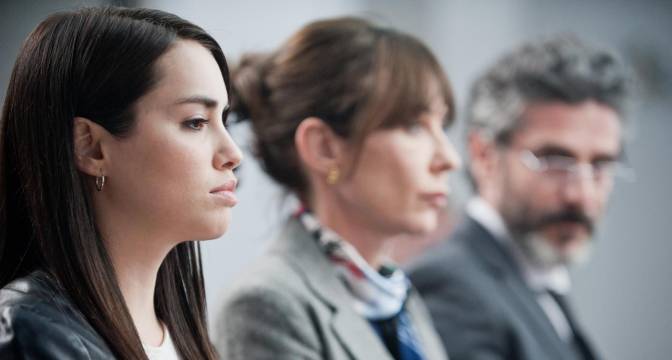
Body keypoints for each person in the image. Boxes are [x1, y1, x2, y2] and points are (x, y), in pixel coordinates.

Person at [0, 6, 242, 359]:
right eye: (195, 122)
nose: (233, 153)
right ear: (91, 146)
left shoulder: (182, 335)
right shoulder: (31, 334)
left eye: (224, 119)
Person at [215, 17, 460, 360]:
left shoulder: (396, 296)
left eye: (442, 125)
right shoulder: (267, 304)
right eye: (413, 126)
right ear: (324, 149)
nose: (449, 158)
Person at [408, 35, 632, 360]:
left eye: (600, 165)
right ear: (484, 155)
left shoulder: (538, 281)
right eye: (554, 160)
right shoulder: (452, 287)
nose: (581, 195)